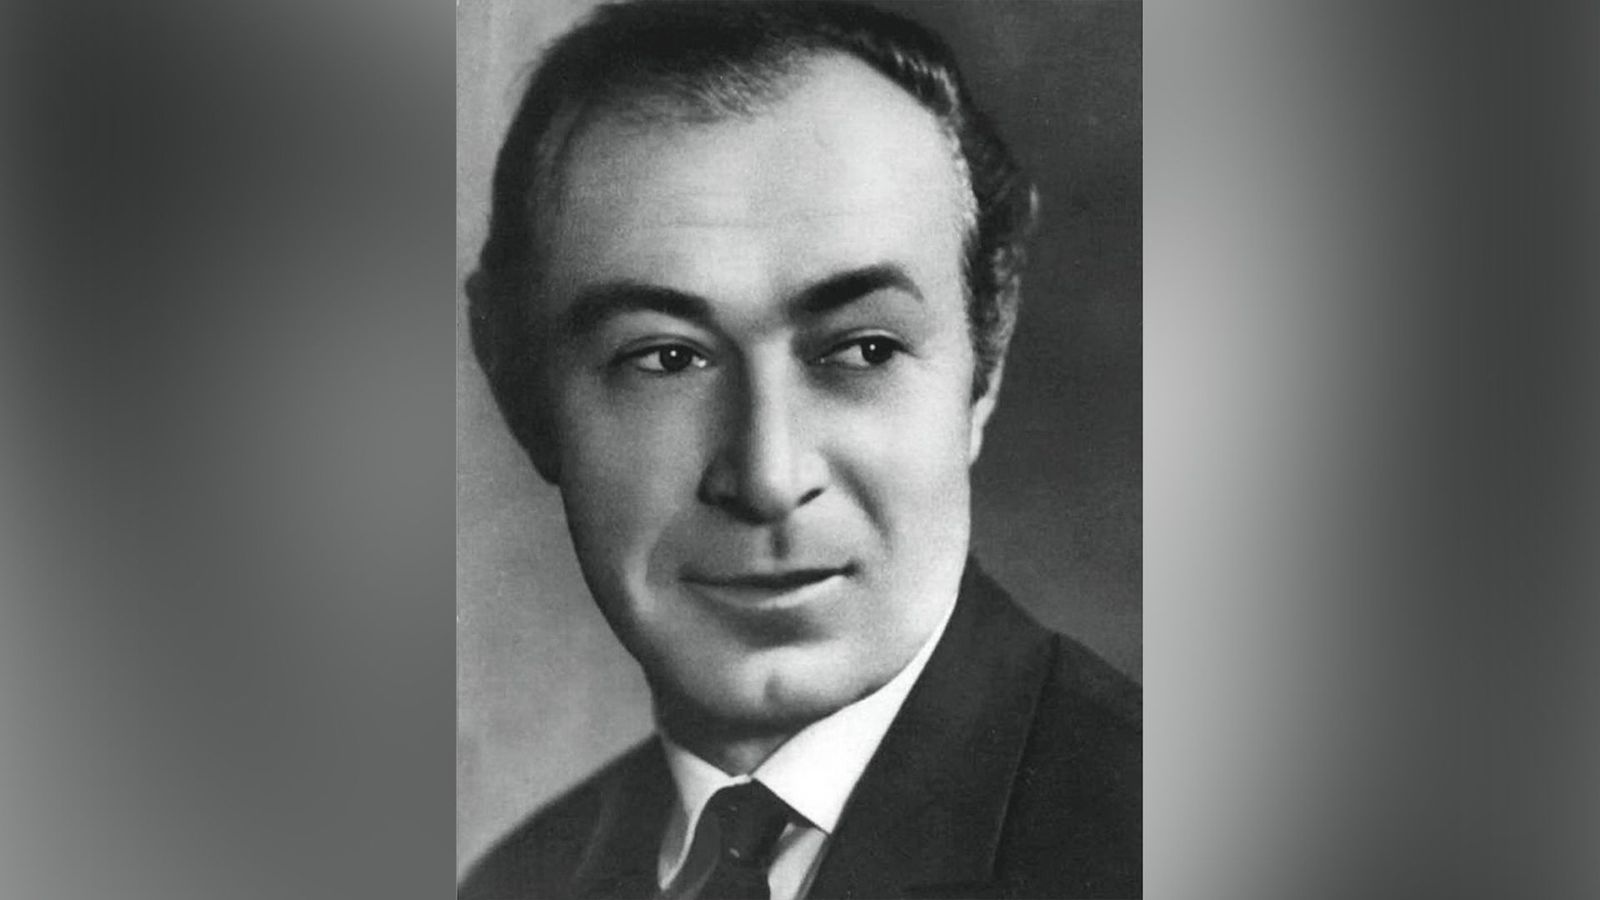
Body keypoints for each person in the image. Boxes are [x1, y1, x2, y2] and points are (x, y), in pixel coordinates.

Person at [459, 2, 1140, 897]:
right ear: (517, 384)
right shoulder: (519, 882)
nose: (768, 478)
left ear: (988, 354)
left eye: (864, 350)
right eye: (666, 358)